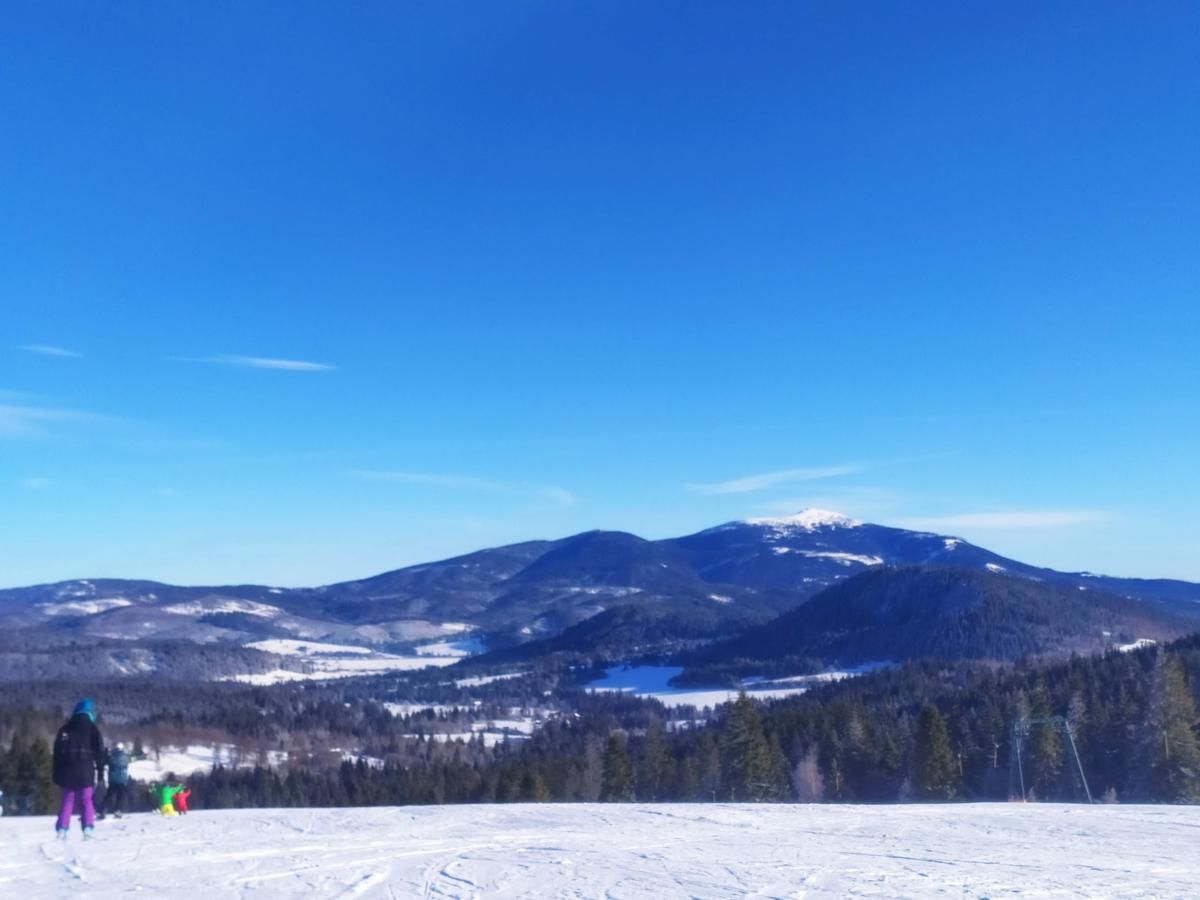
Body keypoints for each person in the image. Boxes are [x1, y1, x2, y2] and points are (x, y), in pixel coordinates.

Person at [52, 698, 105, 840]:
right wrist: (100, 771)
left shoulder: (65, 729)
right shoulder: (93, 728)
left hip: (67, 771)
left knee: (67, 801)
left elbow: (57, 753)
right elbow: (99, 752)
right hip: (85, 771)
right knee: (86, 800)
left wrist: (56, 772)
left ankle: (62, 829)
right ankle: (88, 828)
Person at [98, 741, 134, 819]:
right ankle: (118, 810)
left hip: (113, 779)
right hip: (123, 780)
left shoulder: (111, 756)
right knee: (120, 796)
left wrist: (105, 753)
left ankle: (103, 810)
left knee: (109, 796)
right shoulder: (126, 757)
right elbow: (133, 758)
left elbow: (104, 761)